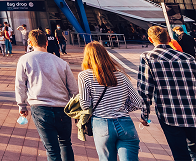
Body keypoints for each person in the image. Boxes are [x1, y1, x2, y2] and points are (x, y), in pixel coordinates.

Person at [15, 28, 78, 161]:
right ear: (47, 43)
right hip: (63, 108)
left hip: (40, 108)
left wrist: (22, 106)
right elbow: (73, 89)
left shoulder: (25, 60)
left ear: (30, 43)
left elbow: (20, 84)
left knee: (52, 149)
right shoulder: (61, 62)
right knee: (66, 143)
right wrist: (77, 111)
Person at [137, 25, 196, 160]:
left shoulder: (148, 57)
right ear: (169, 38)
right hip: (192, 113)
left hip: (169, 114)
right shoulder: (188, 58)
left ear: (151, 40)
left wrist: (145, 114)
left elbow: (145, 88)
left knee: (180, 153)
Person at [79, 41, 143, 161]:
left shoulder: (84, 76)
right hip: (125, 124)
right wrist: (123, 108)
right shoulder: (121, 76)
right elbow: (138, 102)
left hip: (101, 124)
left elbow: (85, 104)